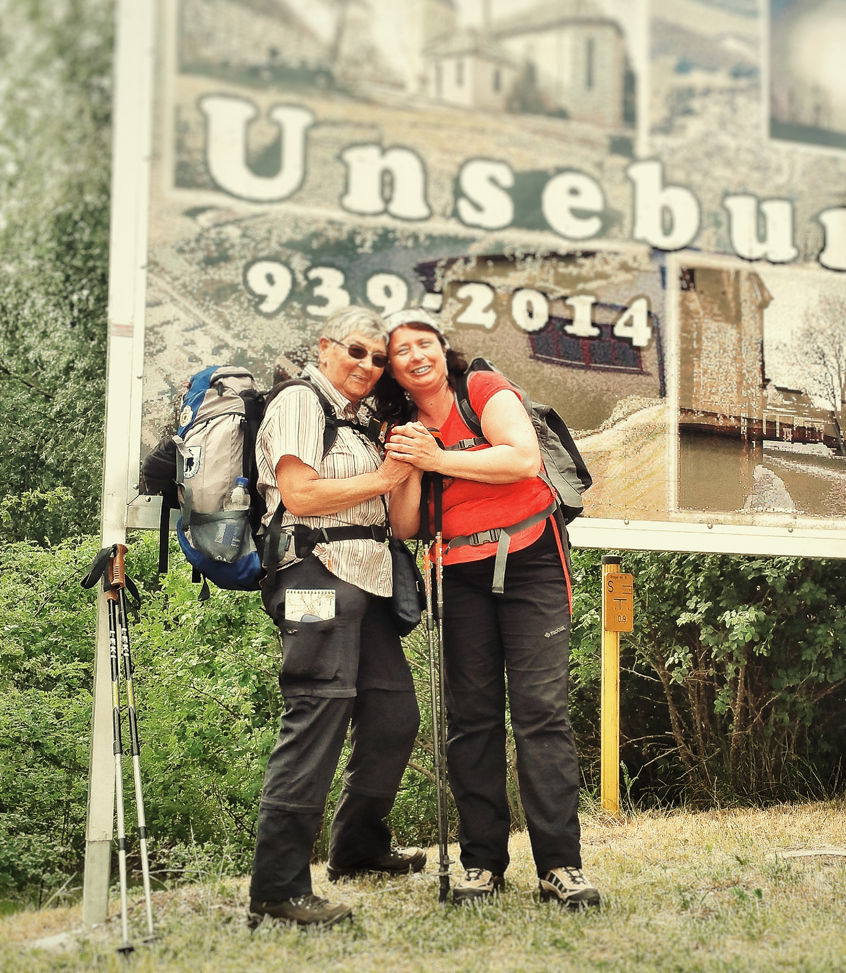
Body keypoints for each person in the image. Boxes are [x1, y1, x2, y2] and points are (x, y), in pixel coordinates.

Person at [376, 309, 601, 909]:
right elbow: (402, 524)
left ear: (443, 348)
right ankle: (482, 863)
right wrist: (407, 464)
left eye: (425, 343)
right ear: (391, 369)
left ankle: (560, 865)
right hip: (457, 573)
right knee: (471, 719)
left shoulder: (481, 386)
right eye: (402, 351)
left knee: (540, 715)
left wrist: (438, 458)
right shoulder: (398, 424)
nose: (417, 356)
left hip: (532, 560)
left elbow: (523, 458)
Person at [245, 307, 426, 929]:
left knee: (396, 715)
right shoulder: (300, 400)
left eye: (378, 359)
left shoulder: (367, 422)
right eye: (357, 351)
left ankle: (359, 847)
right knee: (317, 714)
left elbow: (402, 523)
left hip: (368, 583)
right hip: (310, 576)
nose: (369, 366)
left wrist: (407, 467)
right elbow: (300, 495)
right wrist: (380, 475)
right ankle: (277, 886)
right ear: (326, 348)